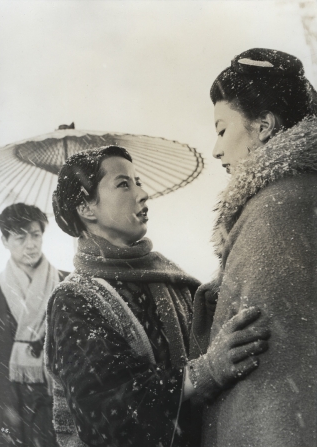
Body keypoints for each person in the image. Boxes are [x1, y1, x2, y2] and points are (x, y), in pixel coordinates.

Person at [45, 145, 270, 447]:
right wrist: (206, 372)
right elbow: (108, 412)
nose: (142, 193)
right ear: (86, 208)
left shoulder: (171, 278)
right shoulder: (74, 299)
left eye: (138, 181)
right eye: (124, 184)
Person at [191, 48, 317, 447]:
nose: (215, 150)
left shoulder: (278, 210)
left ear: (263, 126)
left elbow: (275, 385)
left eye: (222, 129)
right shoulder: (297, 197)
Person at [0, 203, 68, 447]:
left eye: (35, 235)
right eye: (20, 237)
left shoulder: (68, 285)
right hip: (8, 401)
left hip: (58, 395)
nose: (31, 244)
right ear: (4, 240)